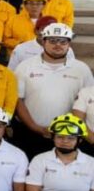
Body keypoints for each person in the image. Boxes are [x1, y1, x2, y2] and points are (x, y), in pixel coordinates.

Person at [15, 23, 93, 157]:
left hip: (68, 137)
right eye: (53, 41)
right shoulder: (25, 66)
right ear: (43, 42)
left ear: (69, 44)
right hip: (32, 134)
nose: (58, 45)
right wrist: (35, 127)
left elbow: (88, 103)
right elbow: (18, 100)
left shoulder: (82, 69)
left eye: (63, 41)